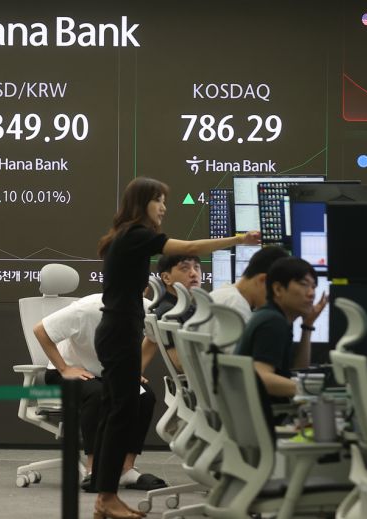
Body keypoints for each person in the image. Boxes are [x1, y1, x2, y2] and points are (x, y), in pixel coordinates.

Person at [92, 177, 260, 519]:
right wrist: (239, 239)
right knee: (121, 414)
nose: (163, 207)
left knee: (116, 413)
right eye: (158, 200)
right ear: (142, 203)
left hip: (117, 331)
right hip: (119, 332)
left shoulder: (125, 236)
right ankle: (106, 497)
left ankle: (104, 496)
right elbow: (191, 246)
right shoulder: (136, 234)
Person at [33, 293, 167, 492]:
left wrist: (134, 371)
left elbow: (153, 338)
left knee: (144, 397)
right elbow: (40, 330)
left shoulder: (146, 308)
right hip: (67, 372)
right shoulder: (85, 309)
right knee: (98, 394)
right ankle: (94, 469)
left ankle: (126, 469)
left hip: (107, 374)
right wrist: (64, 368)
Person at [234, 256, 327, 400]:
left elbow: (298, 370)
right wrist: (311, 390)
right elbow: (261, 377)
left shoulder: (272, 316)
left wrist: (307, 326)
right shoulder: (273, 322)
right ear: (278, 289)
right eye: (304, 284)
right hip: (268, 412)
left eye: (313, 287)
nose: (311, 294)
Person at [210, 245, 289, 322]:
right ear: (262, 280)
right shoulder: (237, 306)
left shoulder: (224, 294)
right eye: (277, 290)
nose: (276, 301)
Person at [152, 255, 202, 372]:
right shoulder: (169, 313)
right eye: (185, 268)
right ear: (166, 278)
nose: (194, 273)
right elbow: (182, 364)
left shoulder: (186, 307)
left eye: (196, 267)